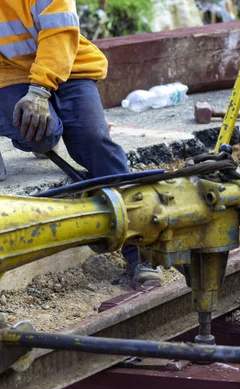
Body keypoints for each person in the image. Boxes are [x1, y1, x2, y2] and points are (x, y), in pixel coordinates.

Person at [0, 0, 164, 287]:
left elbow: (60, 32)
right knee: (40, 133)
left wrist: (40, 90)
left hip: (68, 64)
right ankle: (41, 138)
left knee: (93, 140)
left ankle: (140, 254)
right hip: (9, 75)